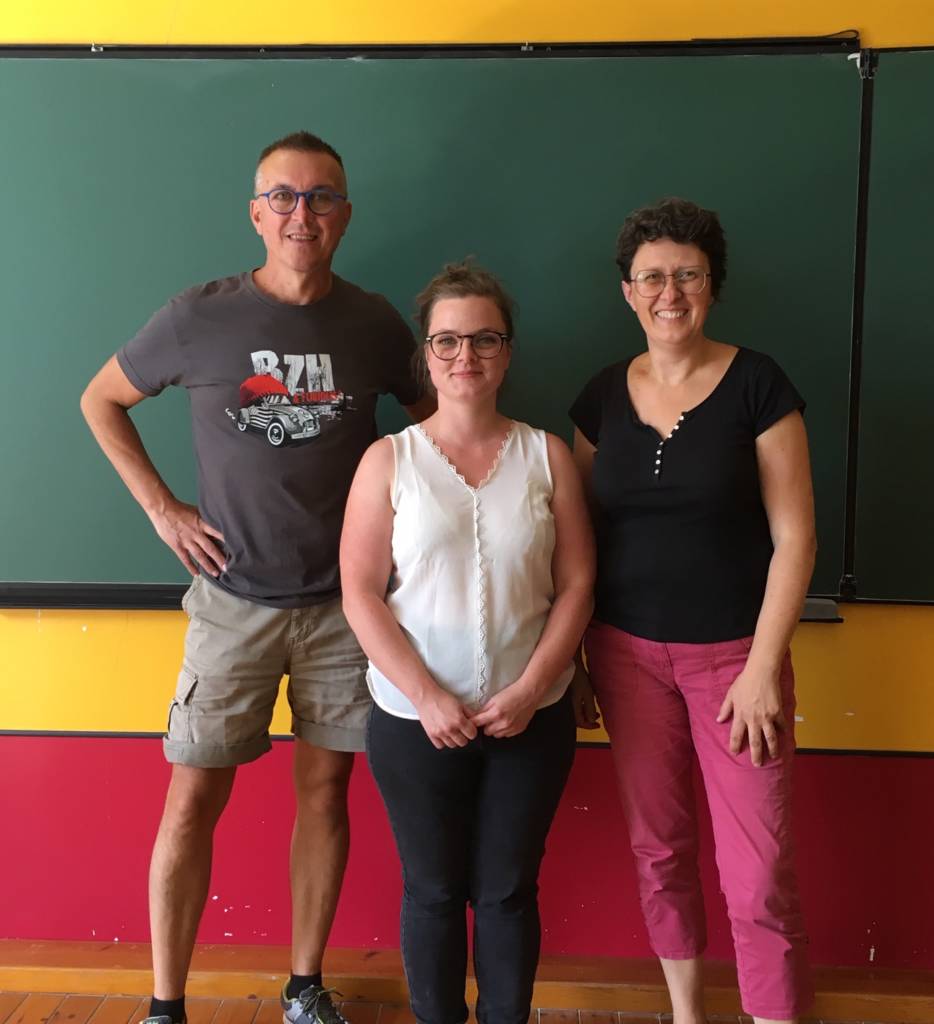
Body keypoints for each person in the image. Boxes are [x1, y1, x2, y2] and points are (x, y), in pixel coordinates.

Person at [80, 131, 433, 1024]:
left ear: (344, 215)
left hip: (346, 611)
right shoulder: (198, 317)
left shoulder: (375, 325)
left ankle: (305, 988)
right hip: (230, 605)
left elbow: (437, 427)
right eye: (283, 196)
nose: (301, 213)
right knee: (193, 798)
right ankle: (165, 1005)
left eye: (321, 197)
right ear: (256, 212)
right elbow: (101, 399)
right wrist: (162, 509)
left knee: (326, 793)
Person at [570, 198, 816, 1024]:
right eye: (652, 277)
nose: (669, 293)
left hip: (736, 664)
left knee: (761, 871)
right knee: (660, 851)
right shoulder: (600, 398)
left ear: (713, 285)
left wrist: (762, 670)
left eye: (688, 275)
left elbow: (796, 538)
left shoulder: (760, 386)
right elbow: (578, 544)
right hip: (625, 659)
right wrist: (576, 659)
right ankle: (686, 1014)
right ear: (627, 292)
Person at [340, 261, 595, 1024]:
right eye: (447, 340)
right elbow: (360, 591)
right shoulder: (389, 460)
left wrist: (531, 689)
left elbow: (578, 584)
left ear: (508, 352)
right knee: (433, 890)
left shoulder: (547, 456)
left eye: (485, 339)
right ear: (425, 355)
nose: (465, 356)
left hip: (531, 718)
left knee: (509, 891)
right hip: (415, 722)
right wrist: (426, 697)